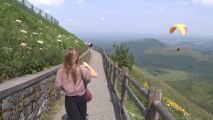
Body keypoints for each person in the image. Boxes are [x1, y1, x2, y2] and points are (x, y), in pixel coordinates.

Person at [54, 47, 97, 120]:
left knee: (72, 117)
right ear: (76, 57)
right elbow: (88, 79)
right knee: (82, 116)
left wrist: (66, 86)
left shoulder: (60, 71)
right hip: (81, 97)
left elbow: (58, 86)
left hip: (69, 99)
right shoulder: (81, 68)